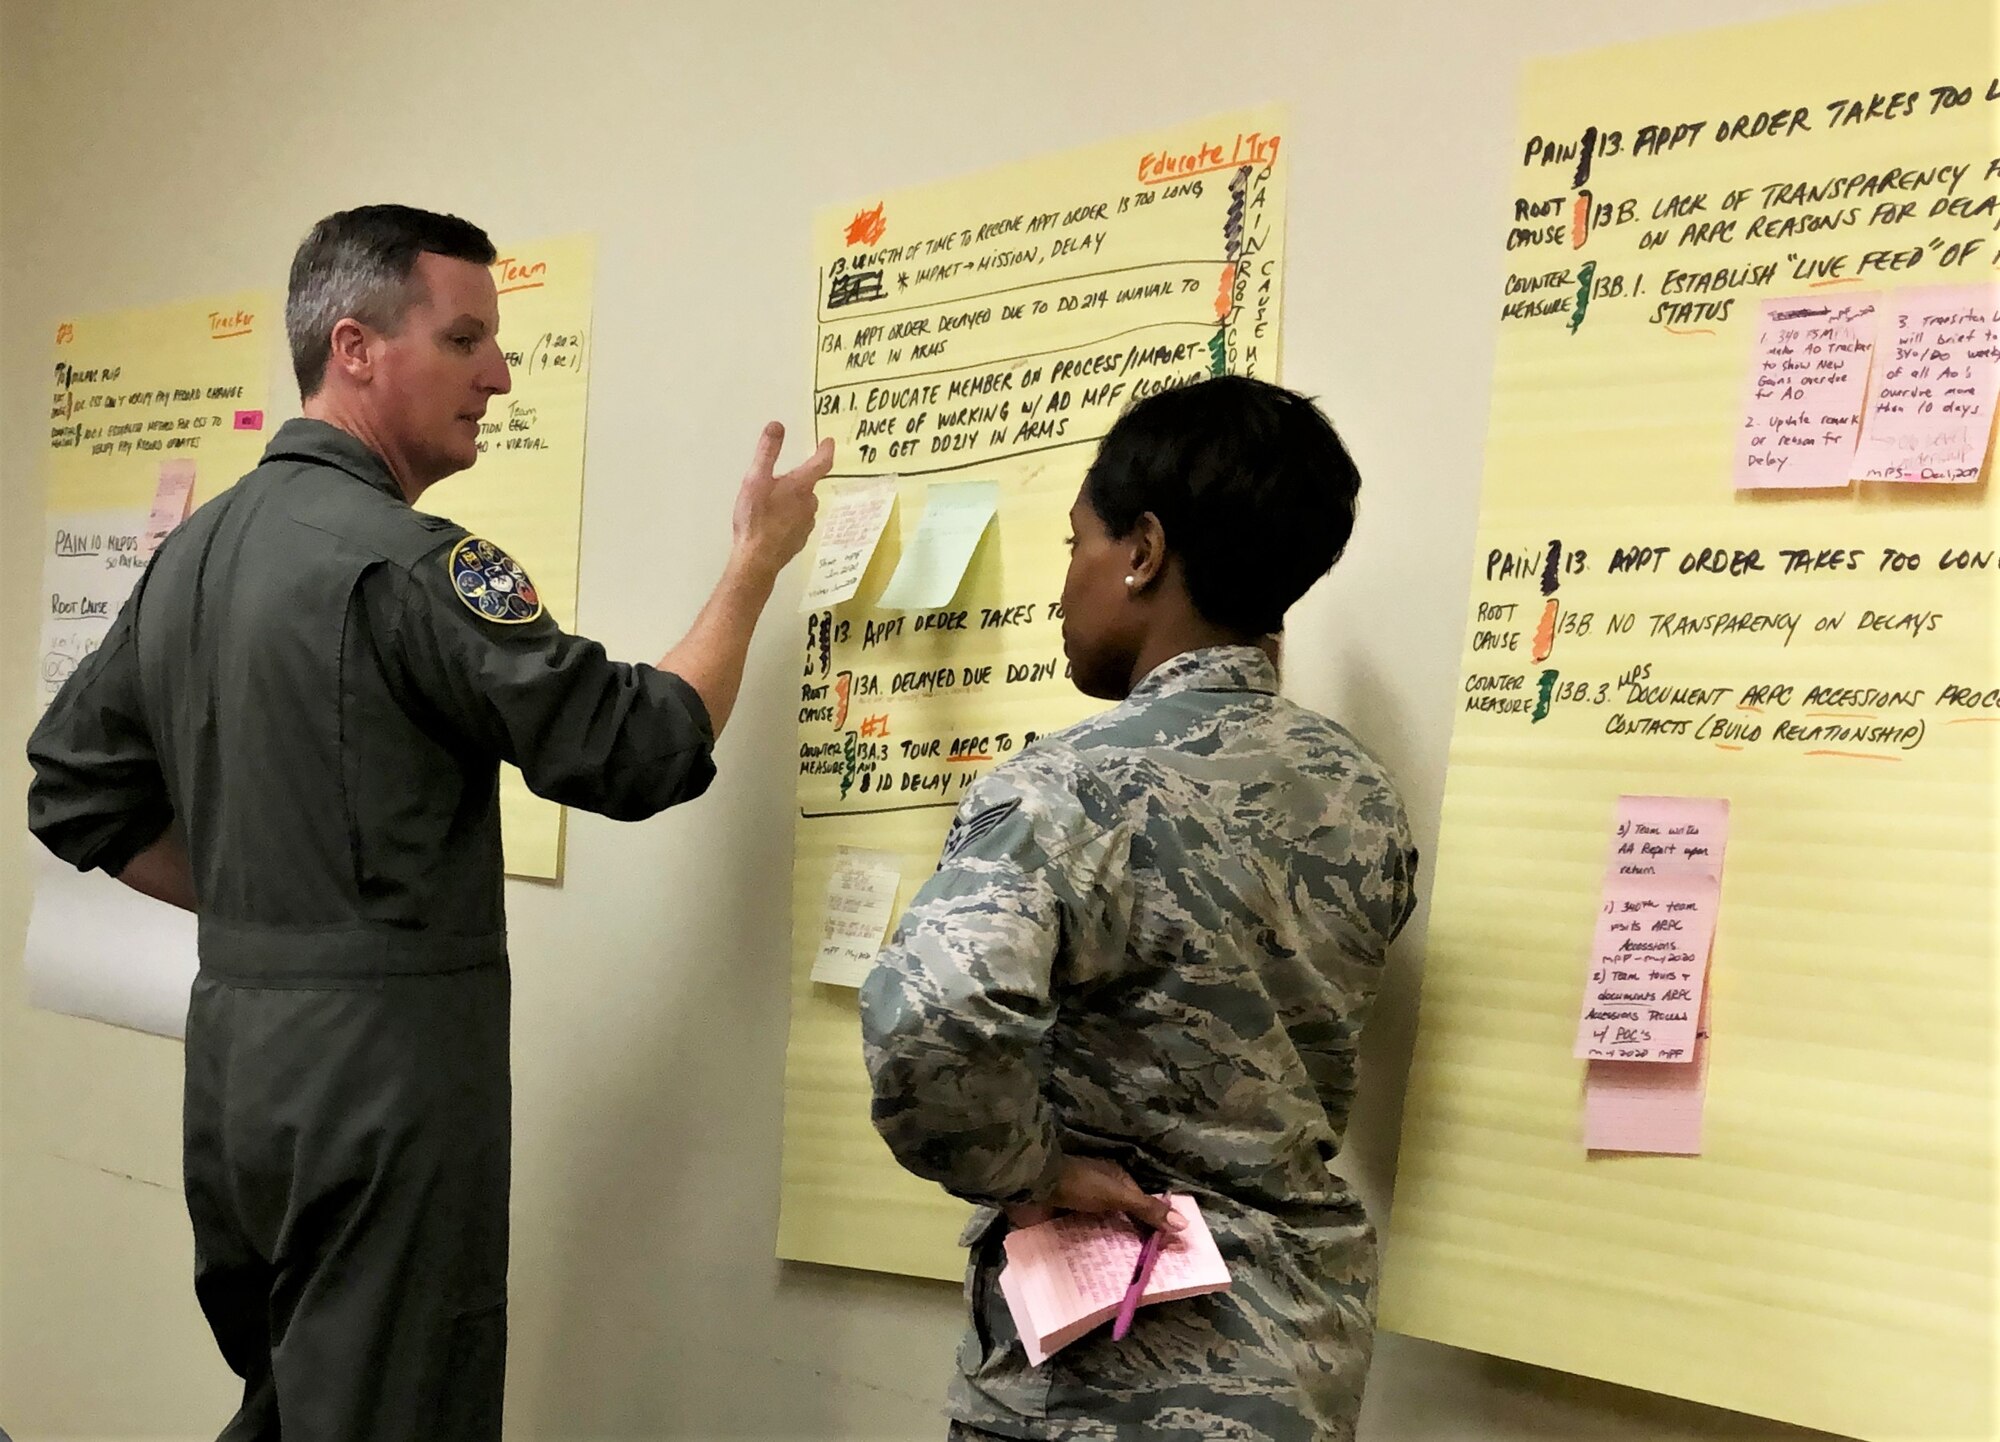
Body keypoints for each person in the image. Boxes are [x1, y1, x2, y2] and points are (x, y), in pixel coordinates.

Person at [25, 204, 830, 1441]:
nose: (499, 375)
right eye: (465, 340)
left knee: (295, 1399)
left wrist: (256, 896)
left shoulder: (196, 551)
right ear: (355, 347)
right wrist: (752, 566)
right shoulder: (407, 562)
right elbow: (637, 745)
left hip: (239, 1066)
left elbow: (73, 784)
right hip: (381, 1080)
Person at [860, 375, 1418, 1442]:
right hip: (1294, 1367)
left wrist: (1031, 1171)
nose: (1061, 586)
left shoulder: (1064, 789)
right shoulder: (1364, 795)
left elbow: (931, 1020)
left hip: (1106, 1378)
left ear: (1143, 551)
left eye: (1077, 544)